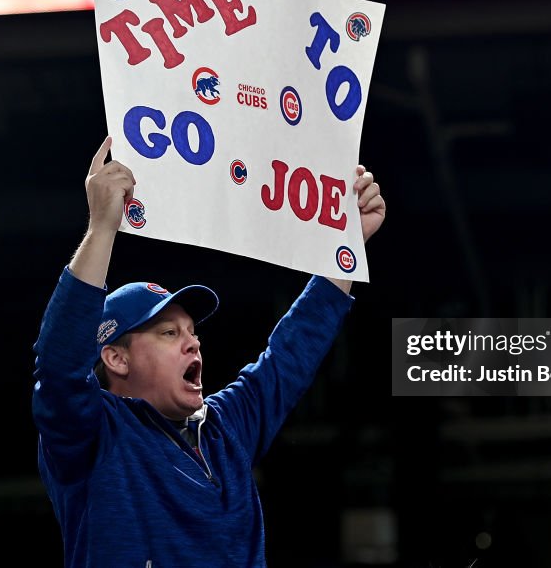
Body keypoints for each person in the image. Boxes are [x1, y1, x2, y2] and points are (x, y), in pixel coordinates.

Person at [32, 136, 386, 567]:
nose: (192, 341)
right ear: (116, 358)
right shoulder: (91, 433)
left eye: (191, 331)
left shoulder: (225, 428)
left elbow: (292, 354)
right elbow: (59, 366)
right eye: (167, 333)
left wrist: (345, 244)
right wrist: (102, 227)